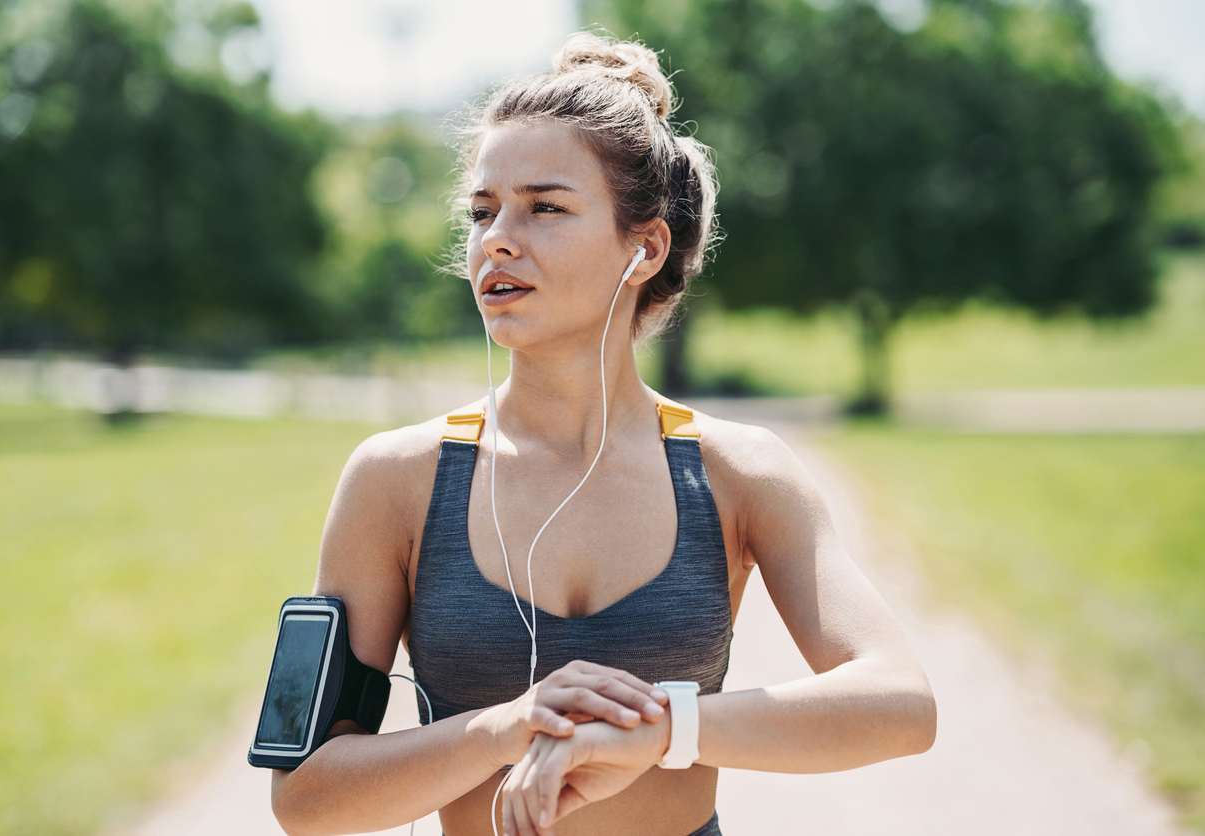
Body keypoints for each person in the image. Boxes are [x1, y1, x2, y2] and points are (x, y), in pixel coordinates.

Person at [271, 32, 936, 836]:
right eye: (482, 212)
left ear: (644, 246)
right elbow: (304, 799)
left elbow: (901, 702)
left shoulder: (738, 473)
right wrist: (505, 727)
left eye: (544, 207)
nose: (497, 240)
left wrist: (660, 729)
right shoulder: (395, 480)